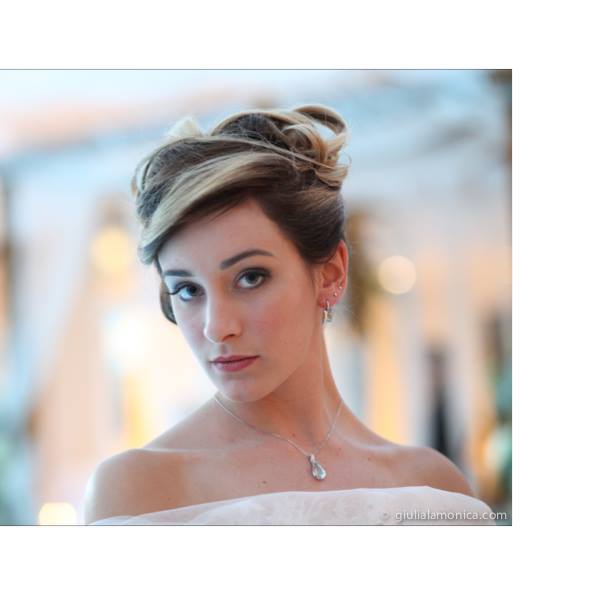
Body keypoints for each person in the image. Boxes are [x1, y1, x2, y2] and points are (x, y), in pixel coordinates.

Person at [82, 104, 495, 525]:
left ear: (331, 274)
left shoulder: (434, 487)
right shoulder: (140, 489)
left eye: (250, 278)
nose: (217, 327)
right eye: (188, 290)